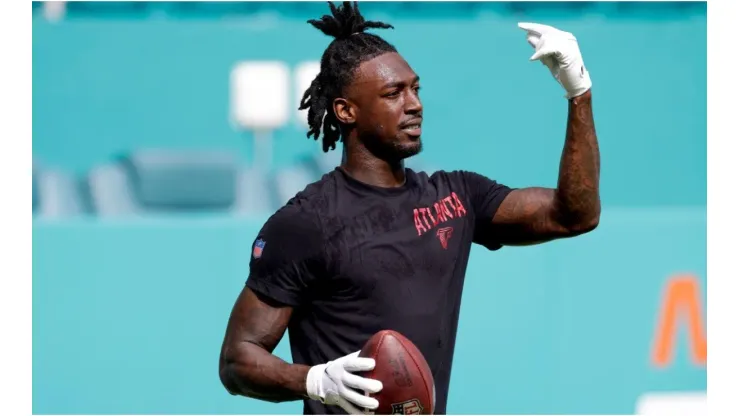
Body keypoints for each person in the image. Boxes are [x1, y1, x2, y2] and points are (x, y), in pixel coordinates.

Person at [219, 2, 600, 415]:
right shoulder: (306, 222)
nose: (414, 104)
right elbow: (237, 359)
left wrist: (578, 92)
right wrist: (315, 380)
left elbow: (574, 213)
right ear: (347, 111)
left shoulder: (456, 197)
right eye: (393, 93)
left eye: (415, 88)